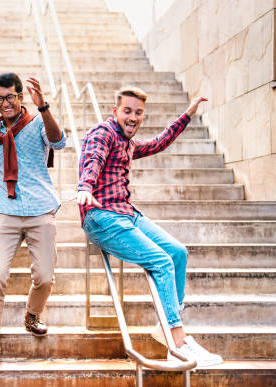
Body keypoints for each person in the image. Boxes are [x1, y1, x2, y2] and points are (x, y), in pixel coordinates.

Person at [77, 85, 223, 367]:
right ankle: (177, 343)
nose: (133, 117)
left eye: (138, 113)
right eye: (127, 111)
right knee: (161, 260)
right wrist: (85, 186)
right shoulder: (103, 132)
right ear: (115, 111)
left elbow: (159, 142)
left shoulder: (129, 143)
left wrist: (188, 114)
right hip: (102, 215)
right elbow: (92, 159)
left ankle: (165, 327)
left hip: (126, 213)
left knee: (178, 253)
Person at [0, 73, 66, 368]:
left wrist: (44, 107)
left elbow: (59, 142)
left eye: (11, 97)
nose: (6, 103)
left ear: (20, 97)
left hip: (40, 207)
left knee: (44, 276)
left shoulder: (39, 121)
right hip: (5, 208)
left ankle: (31, 314)